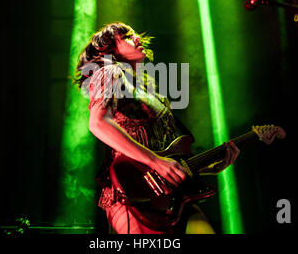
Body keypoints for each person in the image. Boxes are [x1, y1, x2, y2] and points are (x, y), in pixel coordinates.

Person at [74, 22, 240, 234]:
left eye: (136, 34)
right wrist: (155, 161)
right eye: (126, 36)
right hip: (133, 196)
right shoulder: (109, 72)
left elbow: (168, 153)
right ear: (109, 49)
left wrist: (207, 168)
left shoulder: (149, 88)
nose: (137, 39)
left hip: (172, 196)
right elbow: (97, 123)